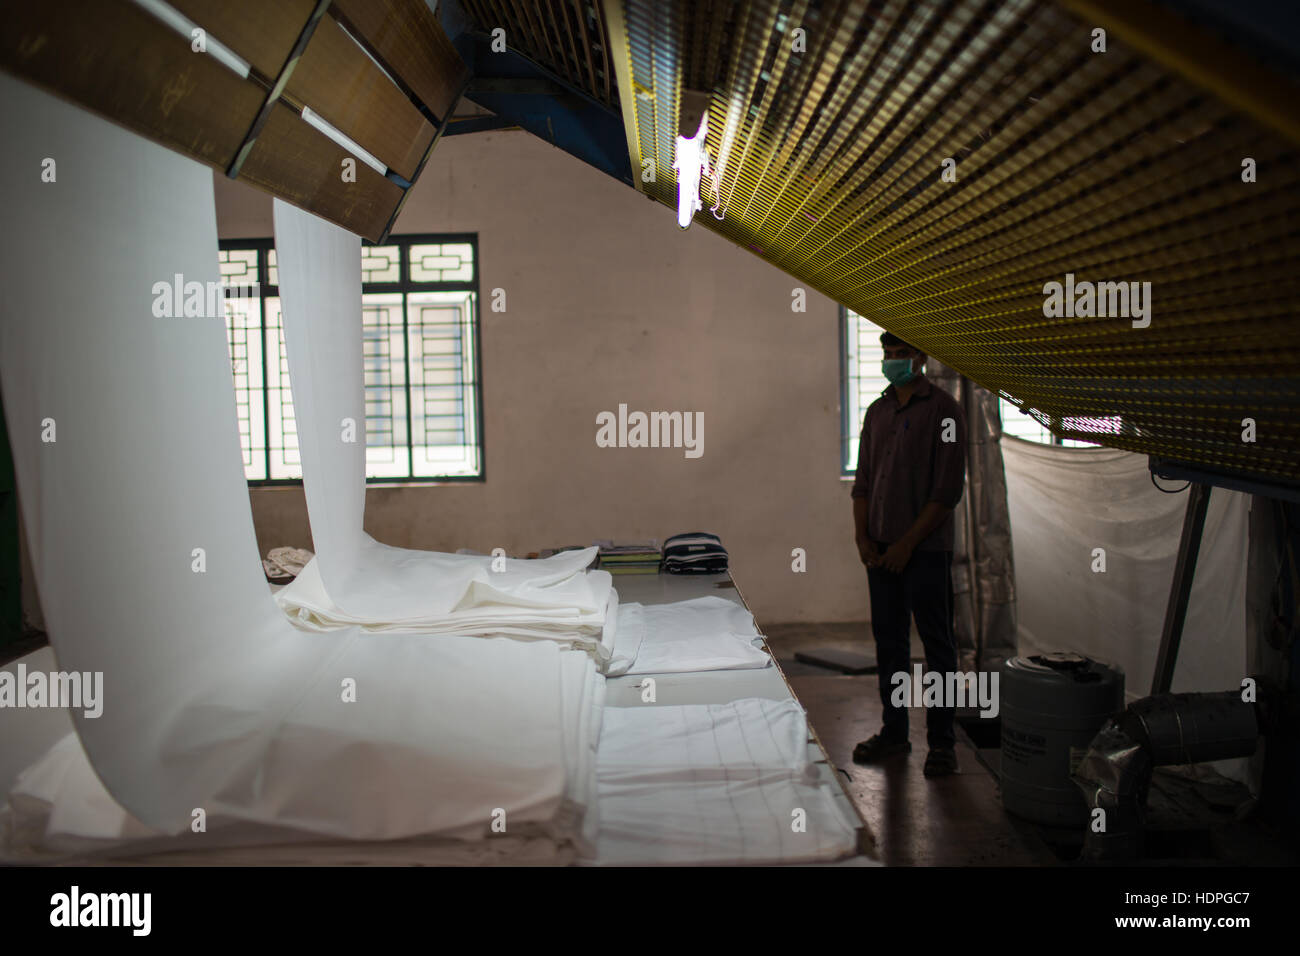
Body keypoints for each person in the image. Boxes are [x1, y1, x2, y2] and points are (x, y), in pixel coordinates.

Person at [850, 331, 967, 777]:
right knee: (891, 644)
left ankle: (942, 744)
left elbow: (946, 493)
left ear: (921, 358)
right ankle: (895, 734)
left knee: (938, 647)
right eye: (888, 354)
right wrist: (863, 537)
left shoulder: (945, 412)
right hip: (880, 552)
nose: (893, 361)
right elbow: (862, 484)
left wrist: (906, 544)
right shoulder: (877, 412)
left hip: (925, 552)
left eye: (902, 354)